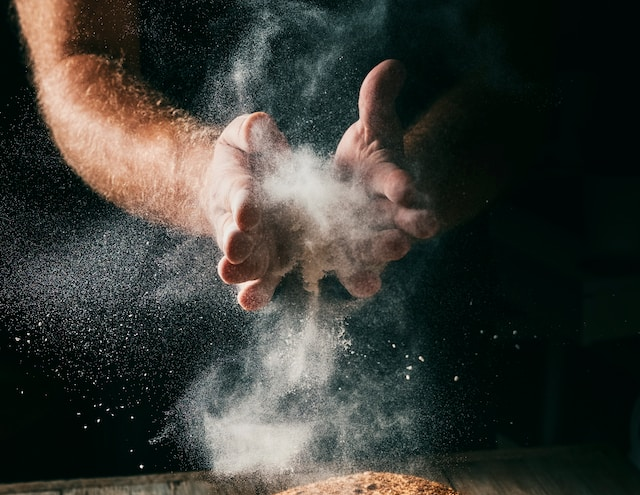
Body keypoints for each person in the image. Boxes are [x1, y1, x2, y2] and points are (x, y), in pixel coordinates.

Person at [11, 0, 553, 468]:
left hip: (424, 254)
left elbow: (528, 60)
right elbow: (78, 60)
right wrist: (202, 179)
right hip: (178, 275)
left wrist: (415, 179)